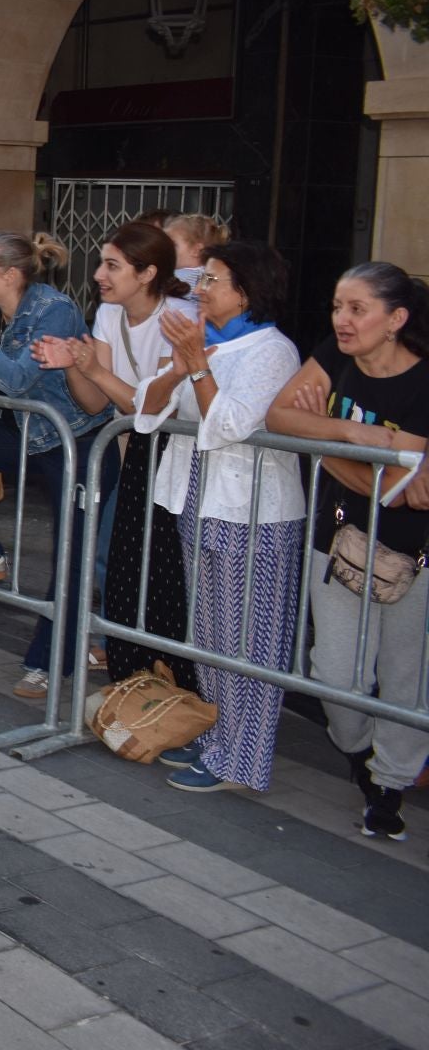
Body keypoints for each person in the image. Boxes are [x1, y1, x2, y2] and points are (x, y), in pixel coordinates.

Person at [130, 242, 302, 793]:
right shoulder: (205, 343)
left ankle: (245, 762)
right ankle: (219, 738)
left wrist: (197, 365)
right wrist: (181, 366)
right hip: (197, 505)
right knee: (209, 637)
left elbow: (229, 423)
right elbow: (146, 411)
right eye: (201, 278)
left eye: (212, 279)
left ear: (246, 290)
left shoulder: (272, 352)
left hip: (252, 516)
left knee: (250, 642)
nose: (200, 288)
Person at [268, 262, 429, 834]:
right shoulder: (333, 356)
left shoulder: (422, 382)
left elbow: (399, 491)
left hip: (413, 554)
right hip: (335, 539)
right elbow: (280, 414)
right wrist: (353, 434)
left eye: (357, 309)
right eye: (337, 306)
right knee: (333, 671)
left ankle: (389, 786)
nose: (341, 319)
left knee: (405, 675)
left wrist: (319, 442)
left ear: (396, 319)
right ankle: (361, 756)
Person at [0, 233, 113, 686]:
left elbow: (15, 382)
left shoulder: (53, 310)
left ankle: (48, 664)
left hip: (75, 440)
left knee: (70, 557)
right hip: (24, 434)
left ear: (10, 275)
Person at [33, 222, 199, 687]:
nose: (99, 275)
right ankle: (123, 660)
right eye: (102, 263)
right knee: (111, 556)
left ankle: (166, 673)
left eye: (112, 266)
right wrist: (71, 367)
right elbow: (95, 402)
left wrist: (91, 369)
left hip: (172, 455)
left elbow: (147, 406)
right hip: (128, 449)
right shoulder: (109, 314)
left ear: (147, 273)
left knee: (164, 567)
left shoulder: (179, 317)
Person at [165, 213, 226, 292]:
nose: (165, 248)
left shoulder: (181, 278)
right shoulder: (209, 275)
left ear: (197, 250)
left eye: (173, 244)